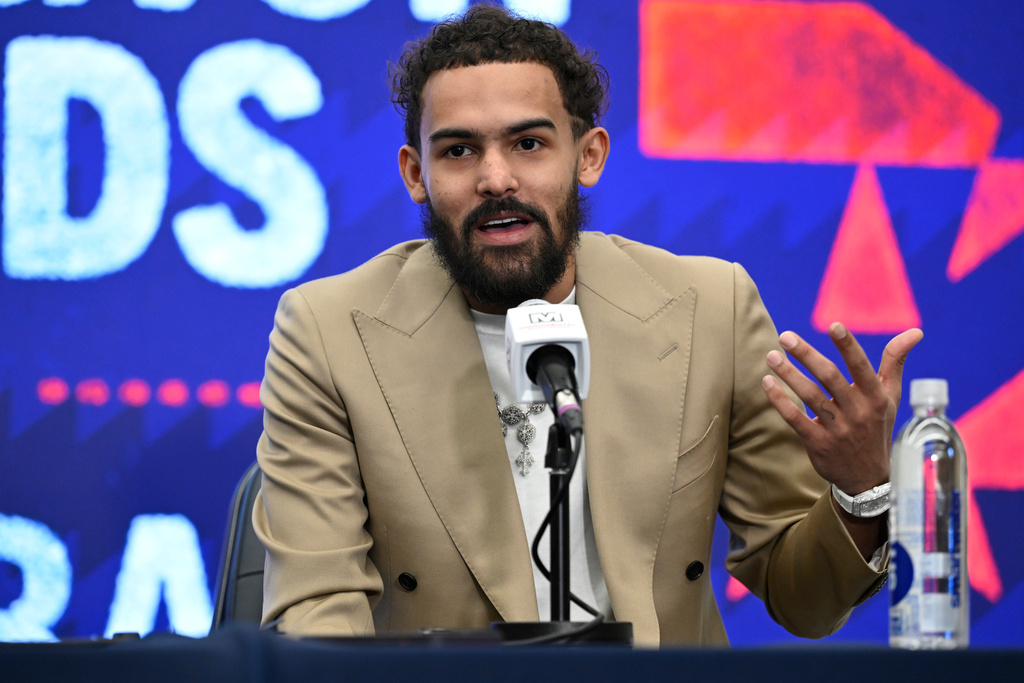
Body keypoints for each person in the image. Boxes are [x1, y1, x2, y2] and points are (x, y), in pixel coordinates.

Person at [252, 4, 922, 646]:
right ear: (415, 174)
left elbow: (805, 600)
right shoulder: (329, 333)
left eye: (529, 143)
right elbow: (318, 623)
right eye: (458, 151)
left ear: (588, 156)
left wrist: (861, 491)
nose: (496, 178)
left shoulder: (709, 307)